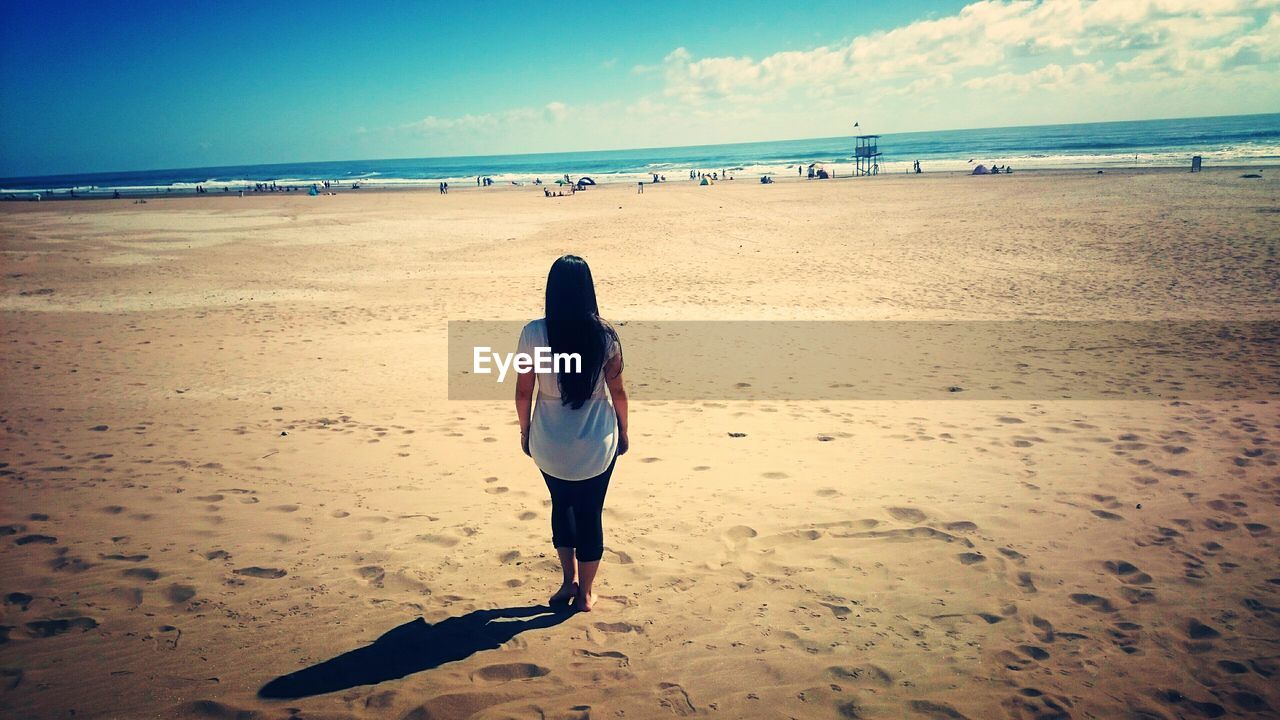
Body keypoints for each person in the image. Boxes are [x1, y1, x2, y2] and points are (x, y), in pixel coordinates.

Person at [515, 256, 629, 613]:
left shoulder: (533, 332)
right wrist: (624, 432)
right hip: (596, 444)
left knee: (562, 505)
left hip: (549, 443)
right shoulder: (605, 335)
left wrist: (525, 432)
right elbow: (619, 393)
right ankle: (585, 594)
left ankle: (568, 581)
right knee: (590, 511)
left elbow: (522, 392)